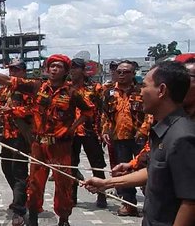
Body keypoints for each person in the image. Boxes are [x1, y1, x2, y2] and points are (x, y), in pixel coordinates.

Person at [0, 54, 94, 226]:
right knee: (35, 184)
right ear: (47, 69)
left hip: (61, 146)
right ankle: (32, 218)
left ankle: (63, 218)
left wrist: (72, 128)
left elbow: (88, 111)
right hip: (39, 144)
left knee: (63, 185)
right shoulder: (37, 86)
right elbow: (9, 81)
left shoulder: (72, 92)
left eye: (59, 66)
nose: (54, 69)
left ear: (65, 71)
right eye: (52, 66)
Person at [83, 61, 195, 226]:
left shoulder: (182, 137)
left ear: (162, 90)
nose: (140, 92)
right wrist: (107, 183)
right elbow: (154, 171)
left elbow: (191, 202)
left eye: (144, 86)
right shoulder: (164, 130)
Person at [101, 60, 148, 216]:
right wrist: (106, 130)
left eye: (125, 72)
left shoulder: (142, 91)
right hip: (119, 138)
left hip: (140, 138)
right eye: (119, 71)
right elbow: (105, 115)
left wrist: (143, 130)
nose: (121, 75)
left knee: (145, 170)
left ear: (133, 74)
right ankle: (129, 204)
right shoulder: (109, 93)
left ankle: (152, 204)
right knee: (124, 173)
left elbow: (151, 114)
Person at [0, 58, 33, 225]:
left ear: (23, 71)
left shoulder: (29, 88)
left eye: (16, 70)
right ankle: (21, 198)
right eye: (11, 70)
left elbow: (33, 109)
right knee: (6, 168)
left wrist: (12, 109)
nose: (12, 72)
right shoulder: (4, 89)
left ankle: (19, 210)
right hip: (6, 135)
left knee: (19, 172)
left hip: (21, 136)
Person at [69, 58, 107, 208]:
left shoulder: (95, 88)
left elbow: (103, 110)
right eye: (71, 68)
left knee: (97, 165)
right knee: (71, 165)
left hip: (90, 131)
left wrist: (104, 129)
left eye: (75, 68)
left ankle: (102, 195)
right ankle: (72, 197)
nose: (72, 71)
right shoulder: (67, 88)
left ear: (83, 70)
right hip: (71, 132)